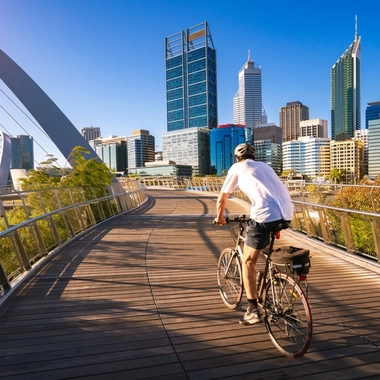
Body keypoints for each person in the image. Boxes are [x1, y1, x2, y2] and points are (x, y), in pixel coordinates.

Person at [214, 142, 294, 326]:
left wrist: (220, 218)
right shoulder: (265, 166)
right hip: (287, 211)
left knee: (248, 262)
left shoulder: (236, 168)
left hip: (265, 214)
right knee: (262, 245)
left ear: (237, 157)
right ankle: (275, 277)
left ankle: (252, 311)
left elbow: (222, 197)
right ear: (254, 156)